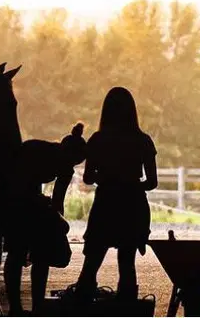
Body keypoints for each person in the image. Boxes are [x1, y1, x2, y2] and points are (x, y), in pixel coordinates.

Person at [0, 123, 87, 315]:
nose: (70, 166)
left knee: (41, 253)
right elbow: (17, 183)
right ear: (63, 150)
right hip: (9, 195)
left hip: (29, 199)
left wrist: (57, 226)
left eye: (73, 164)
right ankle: (17, 307)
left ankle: (38, 307)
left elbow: (58, 202)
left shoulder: (65, 166)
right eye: (70, 161)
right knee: (17, 251)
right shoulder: (36, 150)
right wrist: (42, 206)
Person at [70, 87, 158, 303]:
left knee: (92, 260)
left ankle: (82, 303)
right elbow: (152, 182)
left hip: (106, 203)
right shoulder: (143, 140)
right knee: (127, 261)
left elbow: (88, 178)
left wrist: (109, 180)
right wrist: (131, 185)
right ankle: (128, 307)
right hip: (133, 204)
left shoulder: (98, 140)